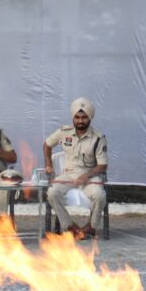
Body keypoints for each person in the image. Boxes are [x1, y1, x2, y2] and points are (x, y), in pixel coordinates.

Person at [43, 97, 108, 240]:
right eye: (77, 117)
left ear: (90, 118)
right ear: (73, 117)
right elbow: (47, 145)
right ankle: (69, 226)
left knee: (100, 195)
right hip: (68, 175)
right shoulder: (64, 132)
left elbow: (103, 165)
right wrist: (48, 164)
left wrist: (87, 175)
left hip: (90, 176)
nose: (80, 121)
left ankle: (91, 227)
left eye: (84, 117)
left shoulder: (98, 138)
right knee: (52, 192)